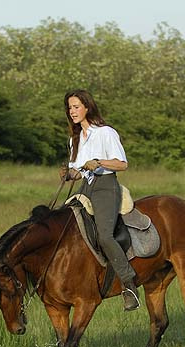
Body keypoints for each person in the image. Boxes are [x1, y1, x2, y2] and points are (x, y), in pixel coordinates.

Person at [60, 89, 140, 311]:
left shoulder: (106, 133)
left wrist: (98, 162)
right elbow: (77, 170)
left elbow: (122, 164)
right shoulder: (74, 139)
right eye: (69, 108)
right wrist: (69, 175)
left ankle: (129, 283)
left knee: (105, 236)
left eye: (76, 107)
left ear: (87, 107)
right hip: (86, 188)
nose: (72, 111)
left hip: (106, 187)